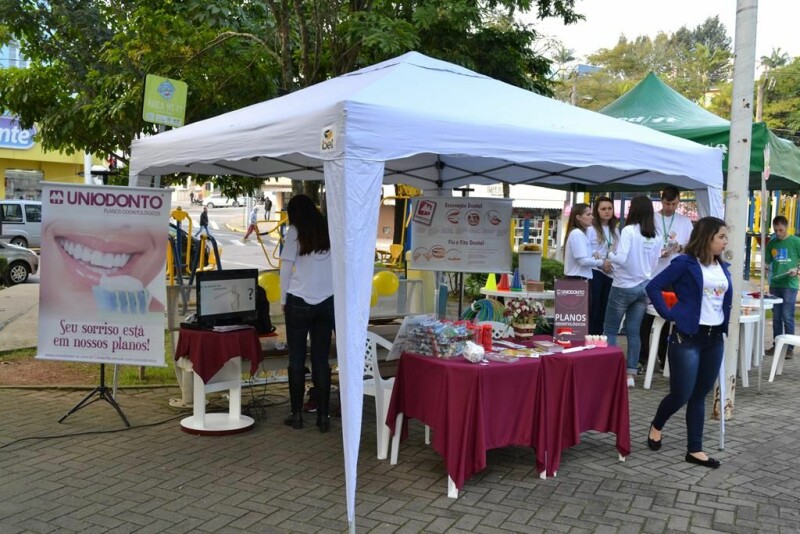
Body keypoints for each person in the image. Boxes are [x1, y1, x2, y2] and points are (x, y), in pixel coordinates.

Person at [646, 217, 732, 469]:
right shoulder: (685, 263)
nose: (725, 241)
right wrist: (669, 313)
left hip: (714, 338)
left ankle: (694, 449)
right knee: (681, 394)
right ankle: (657, 424)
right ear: (707, 238)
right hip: (687, 338)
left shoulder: (721, 266)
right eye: (721, 237)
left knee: (700, 394)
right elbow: (654, 286)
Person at [280, 194, 335, 432]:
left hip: (299, 300)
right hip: (327, 302)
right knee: (321, 360)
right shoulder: (329, 229)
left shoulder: (294, 231)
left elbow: (284, 268)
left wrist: (283, 299)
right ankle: (324, 416)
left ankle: (297, 415)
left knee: (296, 359)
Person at [603, 196, 661, 387]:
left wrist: (608, 254)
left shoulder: (629, 230)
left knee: (610, 329)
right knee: (633, 332)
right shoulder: (656, 235)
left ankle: (610, 370)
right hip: (644, 286)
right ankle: (631, 374)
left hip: (623, 285)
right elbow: (654, 264)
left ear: (633, 210)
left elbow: (620, 258)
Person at [639, 186, 695, 370]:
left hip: (674, 276)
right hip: (652, 273)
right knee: (645, 318)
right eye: (666, 203)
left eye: (674, 204)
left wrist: (680, 248)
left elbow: (692, 248)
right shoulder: (652, 219)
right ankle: (644, 357)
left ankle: (664, 357)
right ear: (661, 201)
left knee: (667, 317)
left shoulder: (685, 221)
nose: (670, 207)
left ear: (679, 201)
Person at [765, 215, 800, 357]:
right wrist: (766, 267)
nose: (778, 233)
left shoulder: (796, 241)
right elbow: (767, 261)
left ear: (787, 227)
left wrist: (797, 270)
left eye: (781, 230)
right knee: (776, 317)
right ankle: (776, 345)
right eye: (776, 230)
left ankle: (789, 348)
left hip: (790, 284)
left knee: (787, 316)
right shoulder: (772, 243)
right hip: (775, 284)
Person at [586, 197, 619, 335]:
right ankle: (591, 337)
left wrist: (610, 261)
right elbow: (586, 249)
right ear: (597, 211)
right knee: (594, 308)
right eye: (603, 209)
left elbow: (618, 251)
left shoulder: (615, 231)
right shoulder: (591, 229)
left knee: (605, 309)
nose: (607, 212)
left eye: (609, 208)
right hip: (595, 272)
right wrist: (601, 261)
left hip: (610, 273)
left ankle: (598, 337)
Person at [564, 203, 610, 280]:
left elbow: (581, 253)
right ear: (578, 217)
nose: (592, 217)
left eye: (591, 214)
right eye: (588, 215)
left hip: (580, 278)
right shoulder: (577, 234)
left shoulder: (581, 234)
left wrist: (593, 252)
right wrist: (601, 262)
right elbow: (583, 261)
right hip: (578, 279)